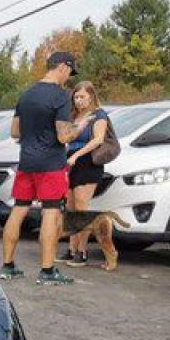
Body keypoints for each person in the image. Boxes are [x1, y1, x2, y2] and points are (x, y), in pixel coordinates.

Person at [0, 51, 81, 285]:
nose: (69, 77)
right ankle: (47, 270)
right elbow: (64, 136)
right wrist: (79, 127)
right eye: (70, 72)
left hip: (27, 161)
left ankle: (7, 266)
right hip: (51, 164)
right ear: (63, 67)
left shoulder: (26, 94)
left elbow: (15, 131)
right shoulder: (61, 96)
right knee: (51, 212)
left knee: (19, 210)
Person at [63, 81, 112, 266]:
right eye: (76, 97)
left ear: (91, 96)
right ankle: (71, 248)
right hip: (70, 161)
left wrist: (77, 154)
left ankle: (82, 252)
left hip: (88, 161)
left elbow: (98, 140)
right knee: (70, 207)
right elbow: (66, 136)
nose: (78, 100)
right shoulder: (74, 116)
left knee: (82, 207)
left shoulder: (99, 115)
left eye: (82, 96)